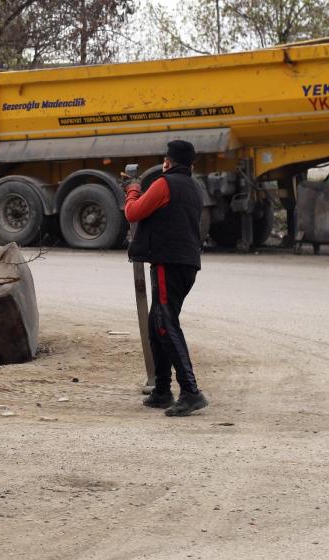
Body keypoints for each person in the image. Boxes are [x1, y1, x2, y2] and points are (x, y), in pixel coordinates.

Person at [124, 140, 208, 417]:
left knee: (164, 325)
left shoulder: (164, 183)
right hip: (186, 264)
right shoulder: (194, 188)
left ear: (167, 162)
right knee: (156, 324)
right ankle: (162, 390)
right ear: (191, 165)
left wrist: (132, 190)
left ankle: (190, 391)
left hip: (168, 263)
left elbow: (134, 212)